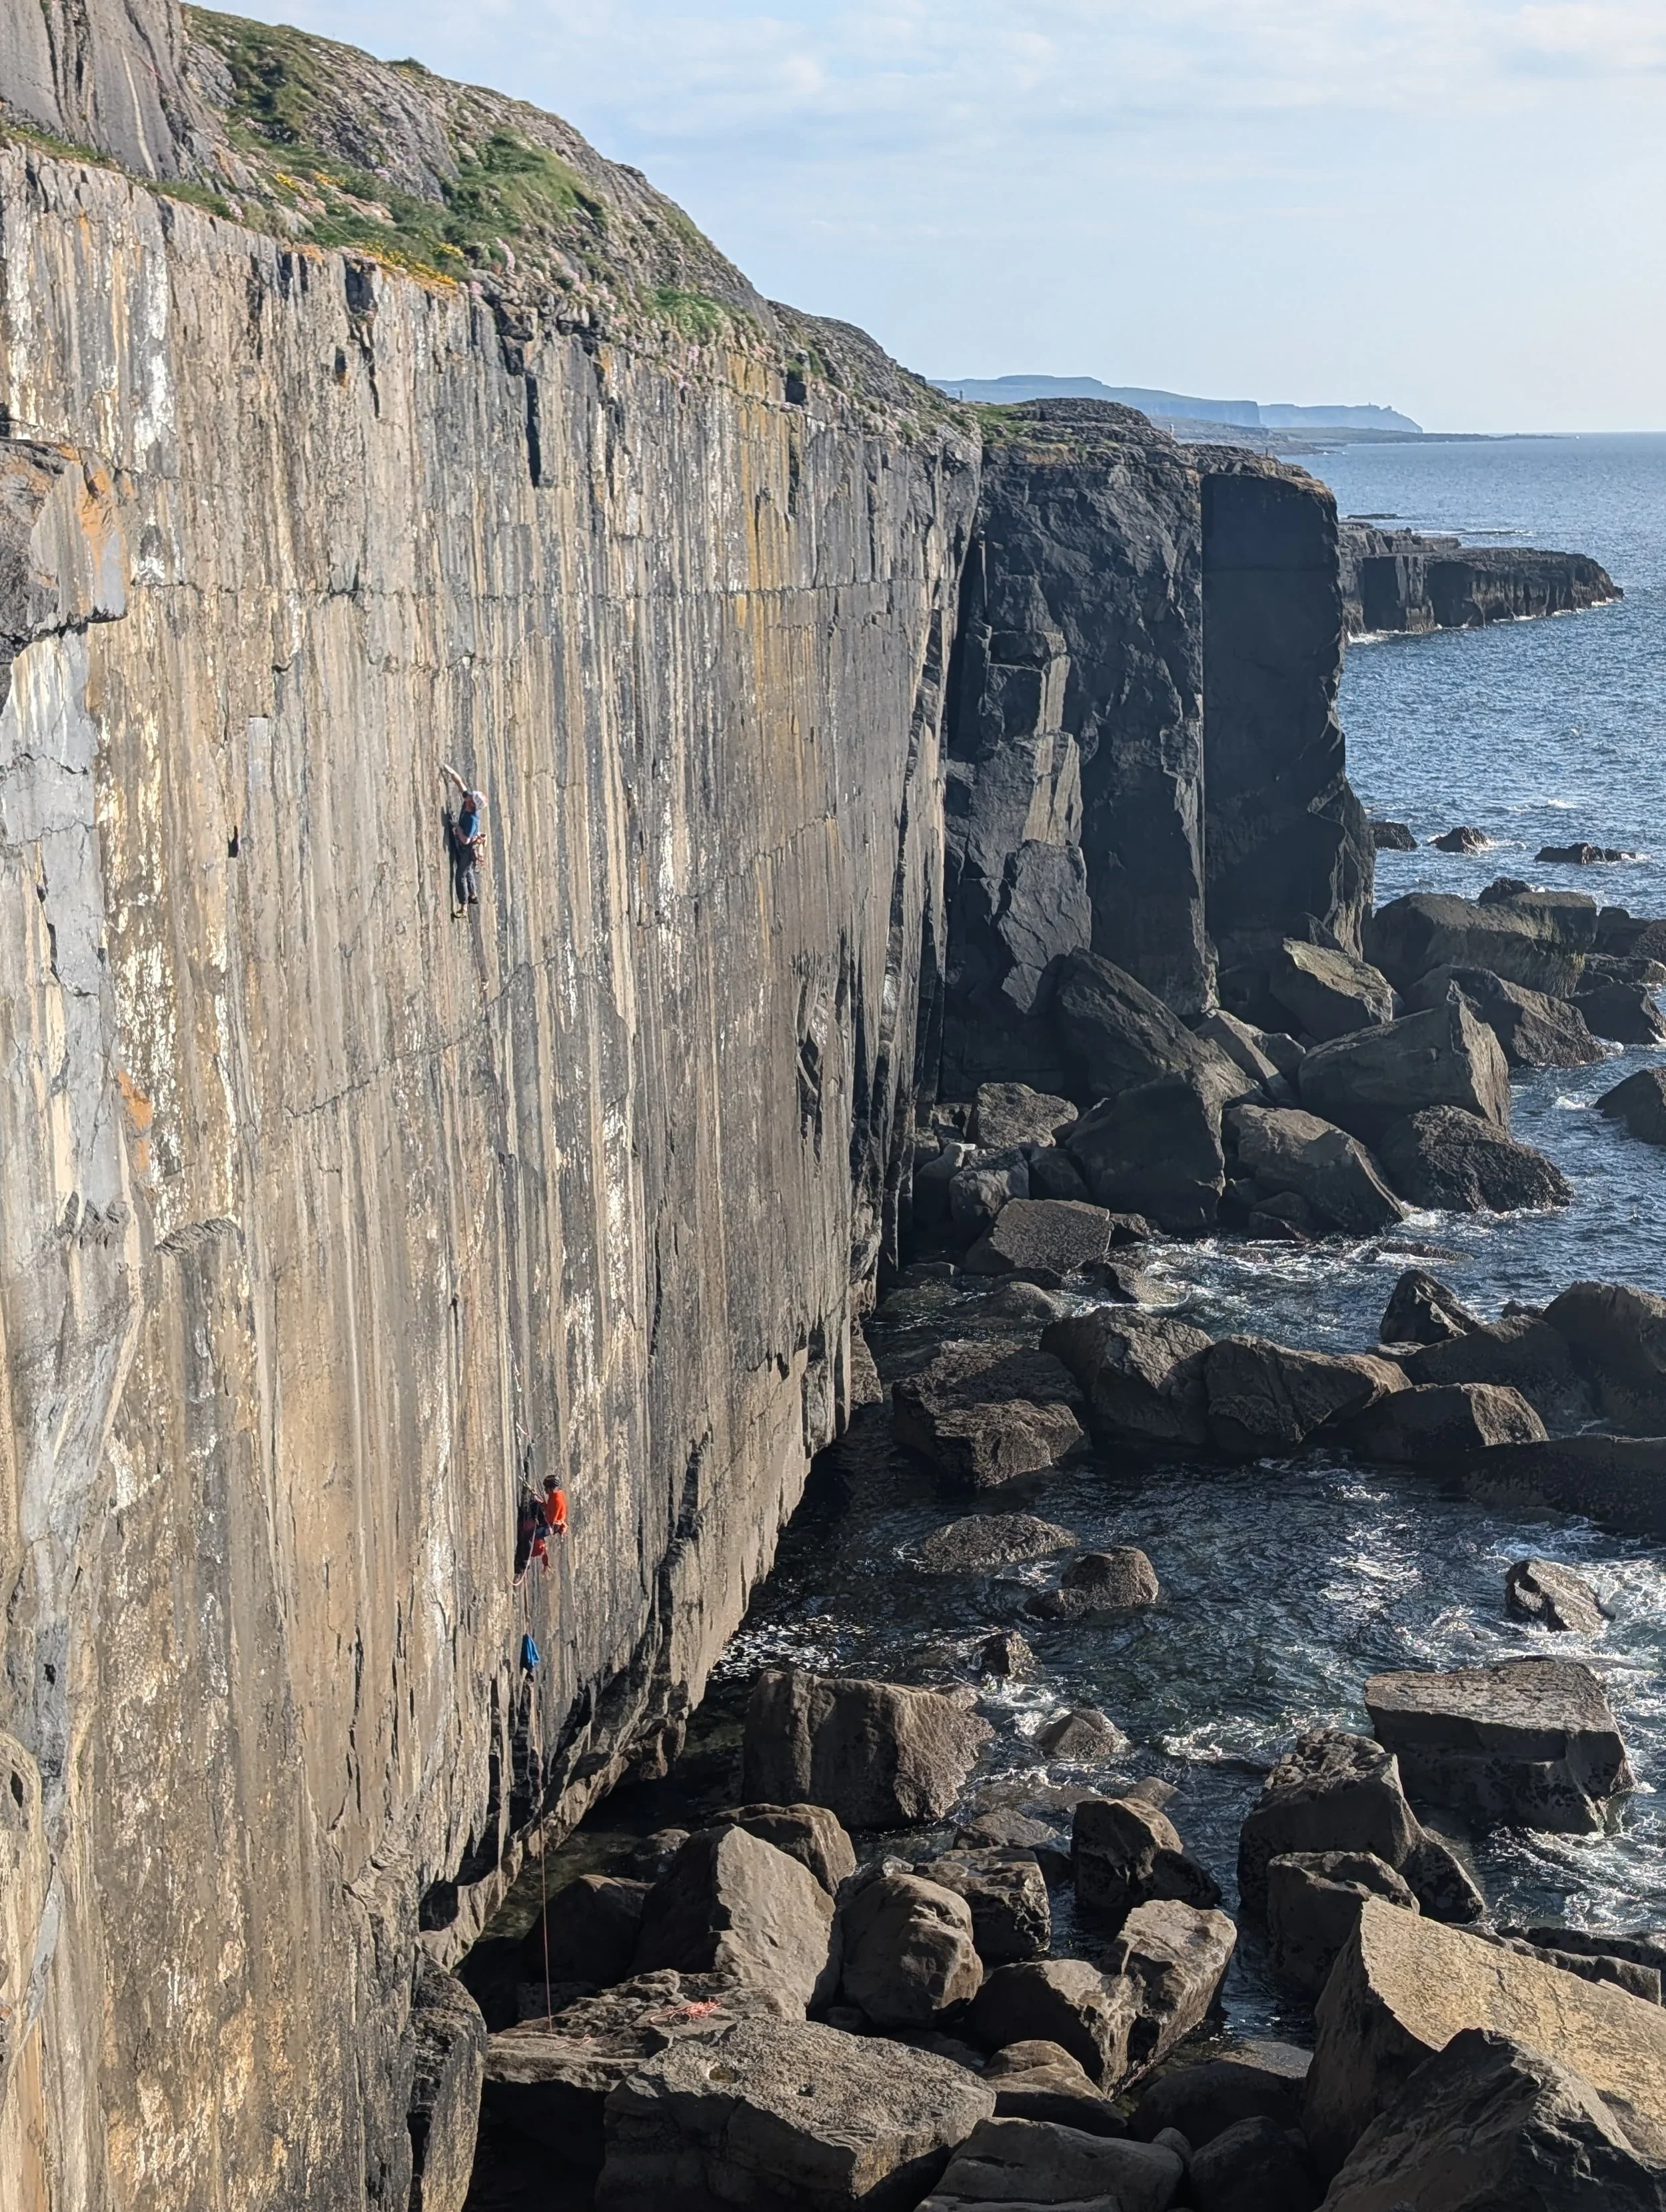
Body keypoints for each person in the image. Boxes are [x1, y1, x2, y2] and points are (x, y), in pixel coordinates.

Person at [439, 762, 486, 910]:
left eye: (471, 798)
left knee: (460, 874)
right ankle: (473, 895)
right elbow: (460, 784)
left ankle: (463, 905)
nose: (468, 796)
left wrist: (456, 826)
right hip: (466, 845)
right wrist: (451, 771)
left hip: (468, 848)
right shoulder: (469, 802)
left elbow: (466, 840)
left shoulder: (472, 820)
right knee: (468, 870)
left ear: (473, 805)